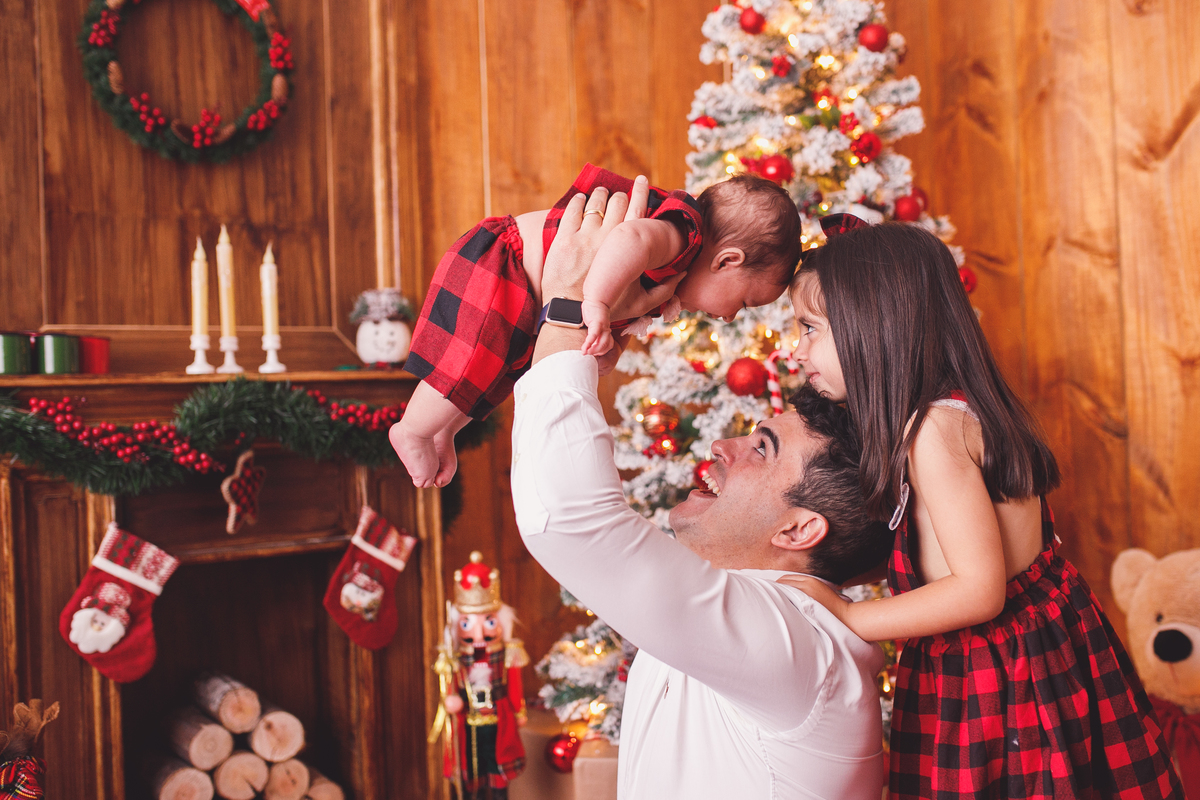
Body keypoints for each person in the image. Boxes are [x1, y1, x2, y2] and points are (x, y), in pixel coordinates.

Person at [780, 217, 1185, 799]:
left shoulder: (933, 432)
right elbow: (935, 548)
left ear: (876, 325)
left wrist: (846, 618)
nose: (797, 350)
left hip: (997, 676)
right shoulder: (948, 411)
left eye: (809, 328)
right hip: (1038, 647)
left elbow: (977, 589)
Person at [508, 187, 893, 798]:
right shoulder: (769, 619)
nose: (723, 447)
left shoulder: (793, 644)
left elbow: (570, 522)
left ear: (799, 530)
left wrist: (566, 313)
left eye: (761, 448)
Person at [390, 164, 801, 489]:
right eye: (744, 302)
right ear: (726, 261)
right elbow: (629, 238)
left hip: (530, 296)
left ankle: (441, 428)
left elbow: (624, 310)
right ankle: (412, 429)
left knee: (495, 373)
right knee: (468, 361)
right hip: (507, 260)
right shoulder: (682, 236)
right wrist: (596, 303)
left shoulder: (671, 284)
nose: (731, 317)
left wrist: (609, 344)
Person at [435, 551, 529, 800]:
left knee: (497, 767)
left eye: (488, 621)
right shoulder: (455, 658)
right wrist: (450, 700)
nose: (479, 633)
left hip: (499, 717)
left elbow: (515, 683)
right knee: (469, 769)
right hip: (468, 719)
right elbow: (450, 685)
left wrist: (519, 710)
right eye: (467, 624)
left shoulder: (507, 653)